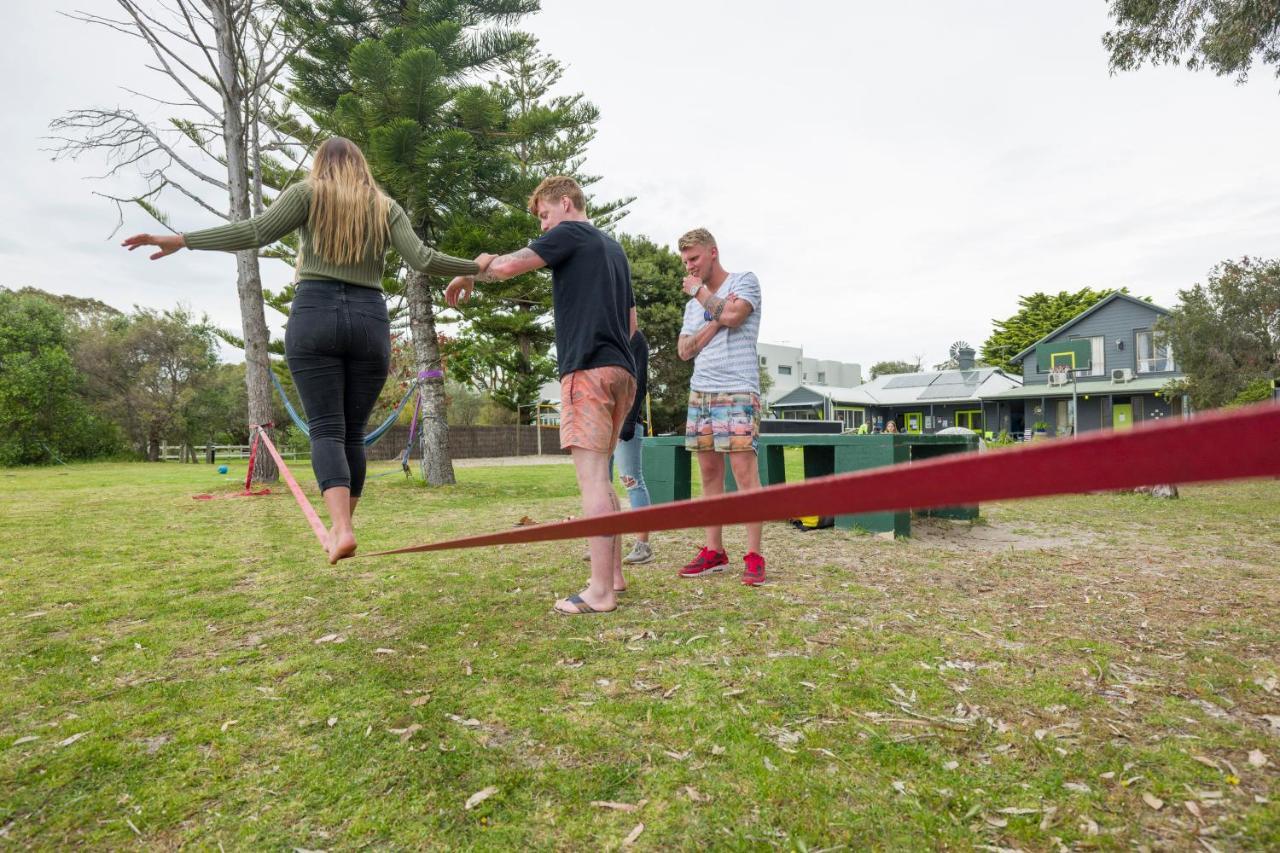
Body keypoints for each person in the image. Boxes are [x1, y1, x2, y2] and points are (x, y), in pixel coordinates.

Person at [122, 137, 489, 564]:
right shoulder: (385, 207)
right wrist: (475, 267)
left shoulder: (307, 193)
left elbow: (255, 232)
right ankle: (341, 528)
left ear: (321, 164)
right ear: (361, 166)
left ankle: (343, 528)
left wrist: (183, 239)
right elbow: (423, 259)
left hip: (315, 313)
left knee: (326, 429)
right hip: (370, 320)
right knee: (352, 432)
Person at [444, 176, 636, 615]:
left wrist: (476, 264)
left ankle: (600, 592)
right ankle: (615, 576)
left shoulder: (571, 232)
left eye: (545, 216)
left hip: (587, 370)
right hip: (621, 370)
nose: (545, 229)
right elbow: (632, 323)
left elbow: (508, 267)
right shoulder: (614, 250)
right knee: (603, 478)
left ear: (566, 203)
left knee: (591, 479)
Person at [674, 228, 766, 586]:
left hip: (738, 390)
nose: (690, 266)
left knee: (745, 476)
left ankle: (754, 555)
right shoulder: (690, 306)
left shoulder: (745, 281)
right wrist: (713, 317)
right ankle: (715, 551)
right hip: (702, 392)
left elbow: (734, 317)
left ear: (712, 252)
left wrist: (702, 296)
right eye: (685, 262)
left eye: (694, 258)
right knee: (710, 475)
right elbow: (685, 352)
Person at [614, 326, 654, 566]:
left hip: (625, 422)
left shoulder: (634, 337)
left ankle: (643, 545)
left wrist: (629, 420)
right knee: (600, 482)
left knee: (631, 480)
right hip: (602, 420)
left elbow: (640, 380)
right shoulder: (609, 331)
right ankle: (605, 542)